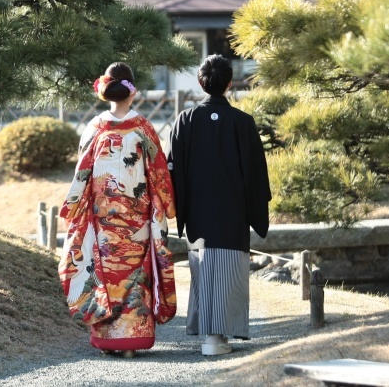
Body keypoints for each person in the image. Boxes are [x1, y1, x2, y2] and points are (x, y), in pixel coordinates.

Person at [58, 62, 177, 357]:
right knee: (136, 274)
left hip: (102, 220)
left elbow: (82, 172)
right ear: (132, 92)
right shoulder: (143, 128)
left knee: (105, 271)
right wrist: (169, 205)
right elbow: (159, 174)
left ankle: (108, 340)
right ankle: (131, 342)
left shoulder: (94, 128)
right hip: (136, 218)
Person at [167, 54, 271, 356]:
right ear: (228, 83)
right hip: (233, 214)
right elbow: (256, 175)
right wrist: (255, 210)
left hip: (198, 214)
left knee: (203, 268)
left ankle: (209, 337)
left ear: (201, 82)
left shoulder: (185, 121)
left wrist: (178, 208)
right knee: (229, 270)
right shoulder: (243, 122)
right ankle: (219, 335)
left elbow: (174, 171)